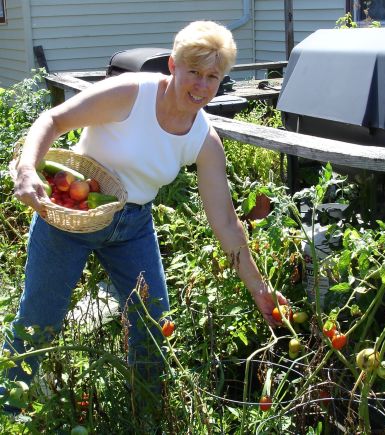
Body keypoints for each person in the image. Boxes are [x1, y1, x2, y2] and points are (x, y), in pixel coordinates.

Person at [4, 20, 287, 410]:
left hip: (132, 226)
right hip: (73, 216)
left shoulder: (203, 140)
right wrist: (27, 169)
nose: (202, 86)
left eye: (213, 77)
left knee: (153, 326)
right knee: (39, 322)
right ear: (173, 66)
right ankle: (8, 409)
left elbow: (224, 221)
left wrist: (259, 288)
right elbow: (53, 120)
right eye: (194, 72)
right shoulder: (129, 95)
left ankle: (147, 414)